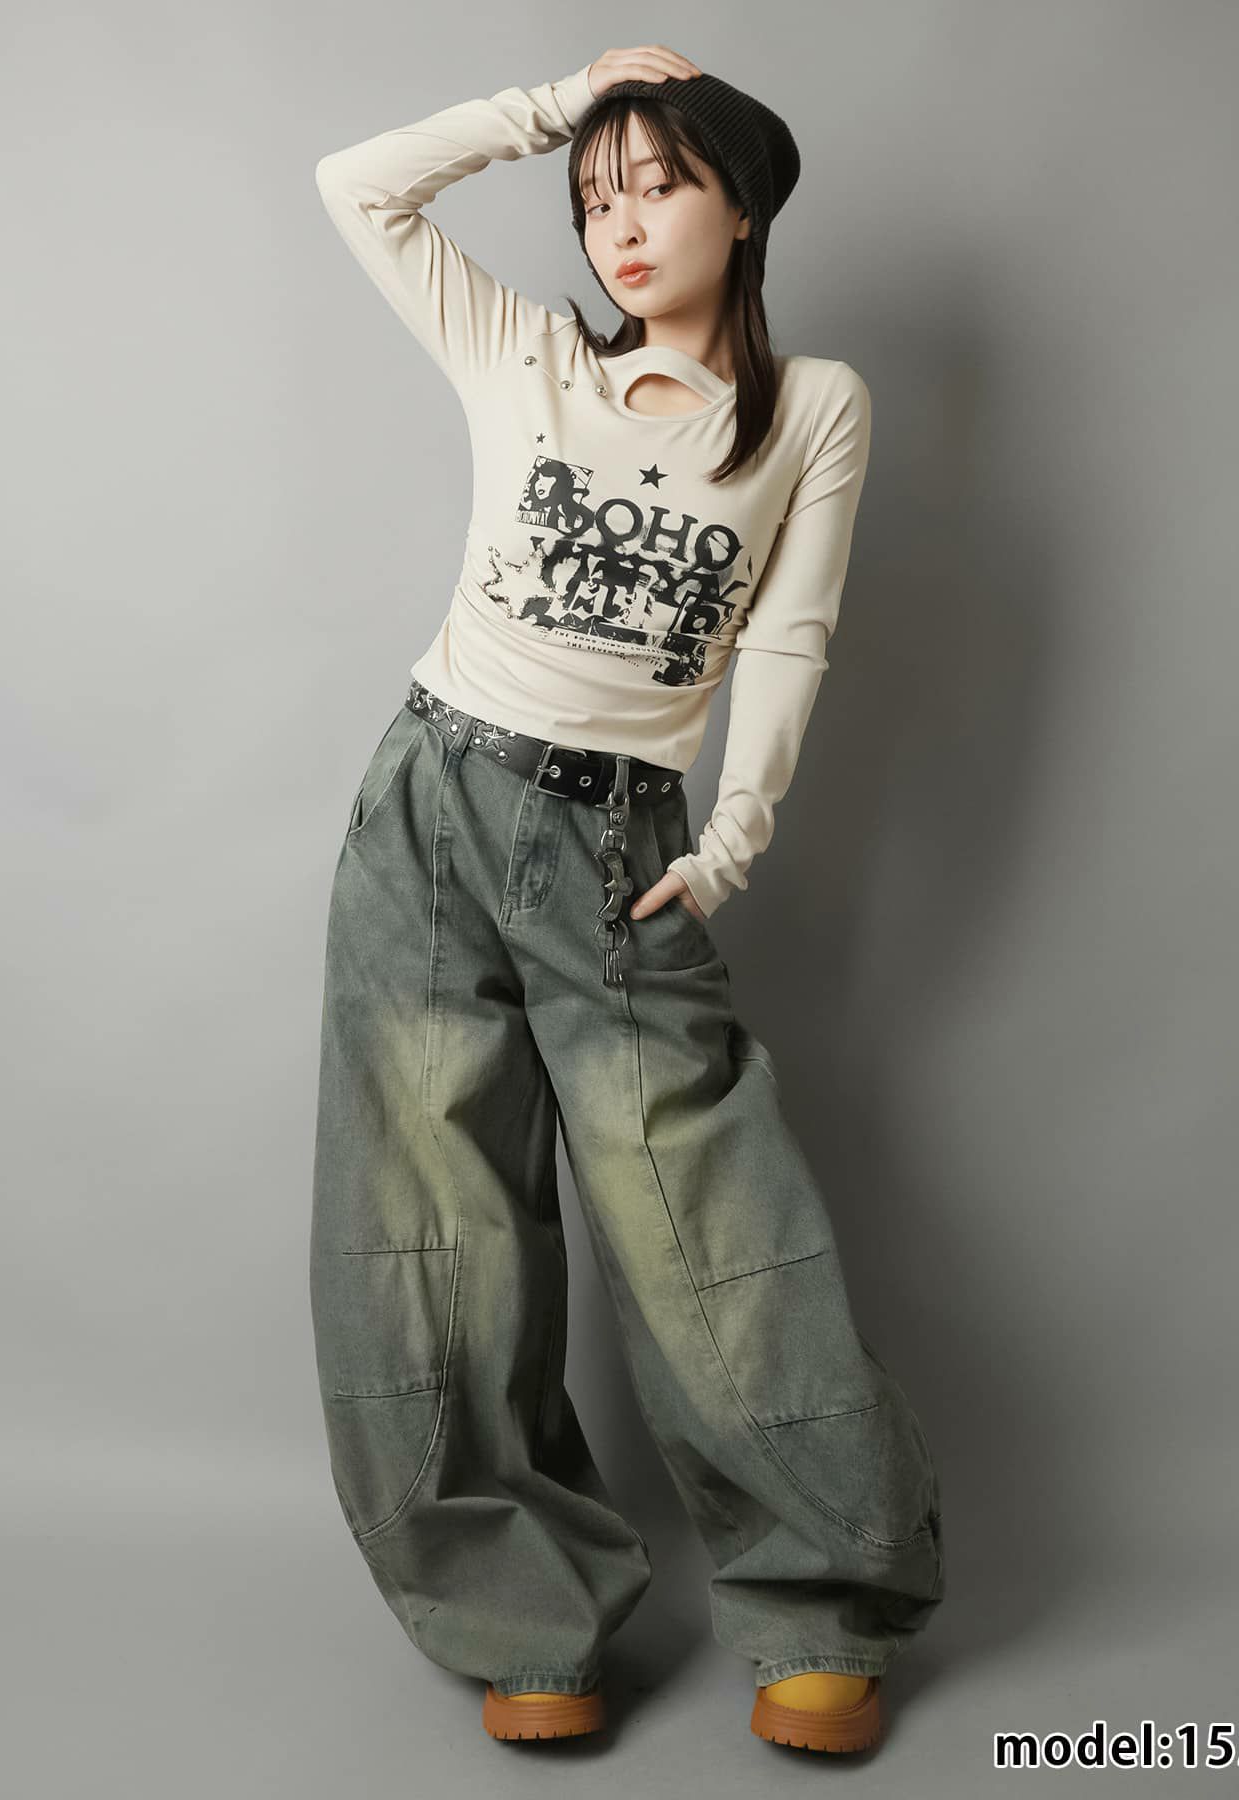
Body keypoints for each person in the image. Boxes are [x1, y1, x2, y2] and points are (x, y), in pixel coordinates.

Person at [308, 43, 945, 1755]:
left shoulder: (814, 408)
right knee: (435, 1224)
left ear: (745, 207)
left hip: (618, 844)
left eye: (662, 184)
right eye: (596, 200)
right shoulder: (523, 354)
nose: (623, 226)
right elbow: (356, 186)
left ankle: (826, 1594)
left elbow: (793, 633)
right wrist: (561, 100)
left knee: (704, 1220)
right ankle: (518, 1611)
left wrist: (733, 839)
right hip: (432, 804)